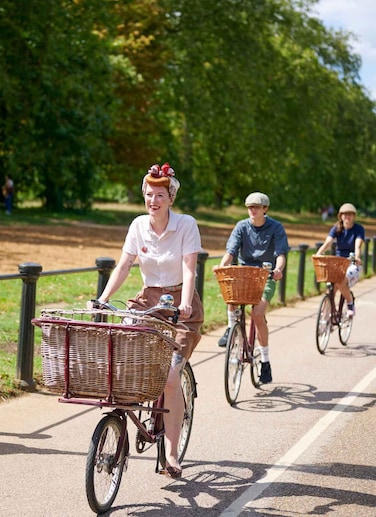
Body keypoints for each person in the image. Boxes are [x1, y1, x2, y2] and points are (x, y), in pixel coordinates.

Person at [94, 162, 203, 479]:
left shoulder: (185, 225)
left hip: (181, 305)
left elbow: (189, 268)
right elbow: (125, 265)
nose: (153, 200)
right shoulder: (138, 225)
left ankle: (171, 454)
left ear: (171, 198)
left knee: (170, 377)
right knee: (124, 354)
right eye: (148, 194)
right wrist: (102, 297)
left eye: (159, 195)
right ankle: (129, 413)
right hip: (148, 301)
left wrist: (183, 303)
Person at [215, 192, 289, 384]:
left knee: (257, 314)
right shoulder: (241, 226)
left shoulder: (276, 227)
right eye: (249, 207)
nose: (252, 210)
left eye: (256, 207)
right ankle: (231, 328)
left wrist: (278, 269)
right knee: (231, 293)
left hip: (266, 276)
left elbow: (281, 254)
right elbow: (230, 252)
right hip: (245, 274)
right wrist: (223, 266)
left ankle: (265, 361)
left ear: (265, 209)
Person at [315, 203, 365, 316]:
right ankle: (328, 313)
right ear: (340, 216)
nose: (347, 217)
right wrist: (318, 253)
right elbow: (328, 242)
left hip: (352, 262)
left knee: (341, 281)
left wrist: (357, 257)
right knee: (331, 288)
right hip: (338, 261)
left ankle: (350, 303)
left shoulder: (358, 229)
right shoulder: (337, 228)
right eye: (345, 215)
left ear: (354, 216)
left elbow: (358, 245)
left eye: (350, 215)